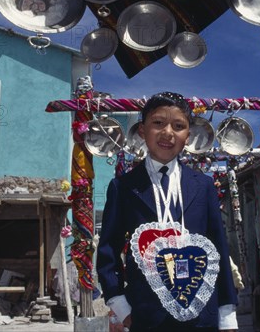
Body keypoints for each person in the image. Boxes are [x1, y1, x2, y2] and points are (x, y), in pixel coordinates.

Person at [97, 92, 238, 331]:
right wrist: (121, 307)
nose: (168, 133)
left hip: (200, 315)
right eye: (158, 123)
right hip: (145, 314)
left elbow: (219, 250)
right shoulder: (123, 187)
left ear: (188, 136)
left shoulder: (203, 186)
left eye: (179, 126)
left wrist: (227, 314)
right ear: (142, 130)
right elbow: (108, 250)